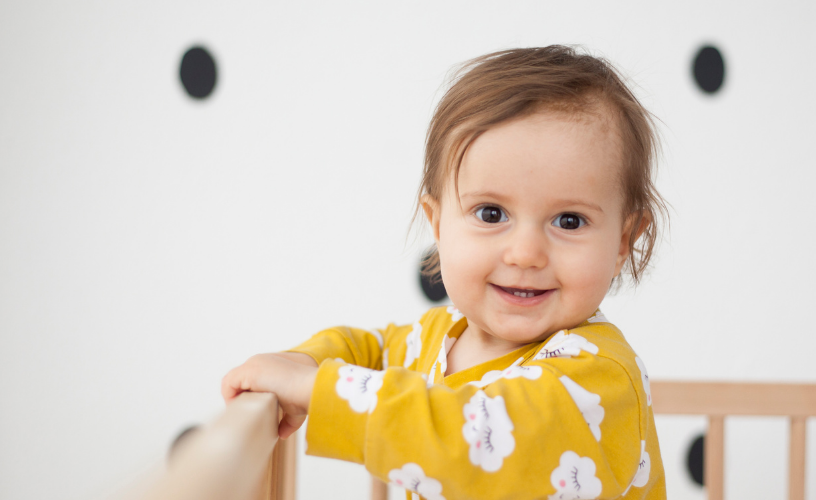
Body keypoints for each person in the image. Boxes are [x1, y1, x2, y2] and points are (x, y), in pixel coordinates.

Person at [221, 45, 668, 500]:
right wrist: (306, 362)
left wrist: (316, 390)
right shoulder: (438, 338)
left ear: (622, 242)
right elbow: (369, 350)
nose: (526, 253)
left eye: (568, 221)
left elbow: (475, 437)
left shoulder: (600, 377)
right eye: (491, 213)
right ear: (437, 225)